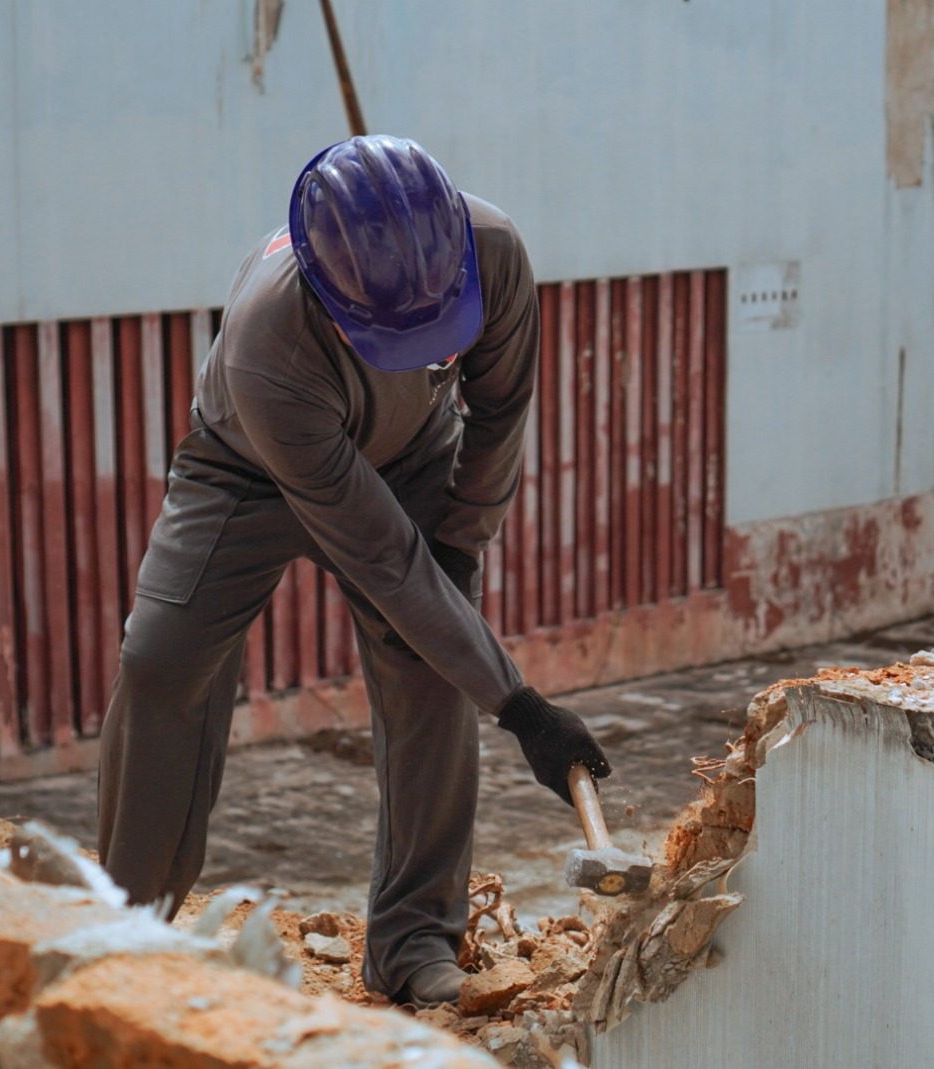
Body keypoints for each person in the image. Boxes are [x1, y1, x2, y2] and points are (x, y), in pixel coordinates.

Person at [96, 135, 612, 1006]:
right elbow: (381, 557)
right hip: (247, 469)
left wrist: (463, 535)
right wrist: (520, 705)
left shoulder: (494, 254)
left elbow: (500, 415)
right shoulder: (269, 341)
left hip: (413, 461)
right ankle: (123, 927)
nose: (417, 352)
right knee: (160, 660)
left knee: (431, 670)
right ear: (330, 294)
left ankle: (414, 943)